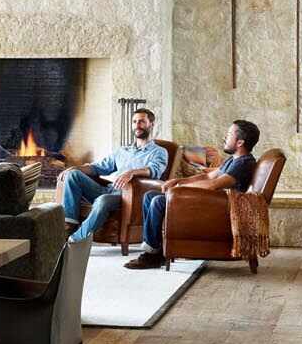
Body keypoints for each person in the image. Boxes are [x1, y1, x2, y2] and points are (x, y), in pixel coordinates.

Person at [127, 119, 261, 271]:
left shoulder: (243, 163)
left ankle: (151, 255)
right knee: (150, 196)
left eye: (229, 134)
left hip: (220, 208)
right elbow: (209, 177)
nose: (225, 137)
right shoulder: (233, 160)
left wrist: (179, 190)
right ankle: (156, 250)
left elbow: (213, 185)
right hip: (213, 201)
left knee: (158, 201)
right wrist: (179, 181)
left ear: (239, 143)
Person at [58, 107, 169, 241]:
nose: (137, 125)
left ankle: (75, 239)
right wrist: (74, 168)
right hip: (110, 189)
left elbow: (154, 170)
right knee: (74, 175)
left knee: (102, 200)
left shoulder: (159, 151)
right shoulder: (123, 151)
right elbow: (98, 168)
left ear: (151, 124)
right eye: (134, 122)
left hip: (129, 196)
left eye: (141, 122)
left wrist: (132, 173)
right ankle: (69, 225)